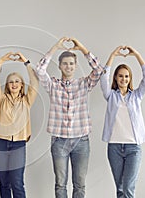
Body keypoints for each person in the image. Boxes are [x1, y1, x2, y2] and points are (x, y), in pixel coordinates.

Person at [35, 37, 103, 198]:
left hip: (81, 141)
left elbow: (99, 70)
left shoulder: (84, 84)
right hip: (59, 141)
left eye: (71, 63)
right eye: (65, 63)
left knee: (80, 184)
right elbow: (39, 70)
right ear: (59, 66)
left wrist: (82, 49)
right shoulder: (53, 84)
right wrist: (55, 47)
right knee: (60, 184)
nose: (68, 66)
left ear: (76, 65)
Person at [100, 46, 145, 198]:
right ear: (116, 78)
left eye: (127, 76)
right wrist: (113, 55)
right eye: (121, 76)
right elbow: (104, 77)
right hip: (114, 147)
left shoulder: (136, 96)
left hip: (133, 148)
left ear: (130, 79)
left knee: (128, 188)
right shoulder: (110, 96)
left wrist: (136, 54)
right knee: (120, 188)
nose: (124, 79)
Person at [0, 52, 39, 198]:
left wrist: (25, 61)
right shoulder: (1, 99)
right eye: (11, 82)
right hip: (0, 144)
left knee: (17, 182)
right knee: (4, 183)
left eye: (17, 81)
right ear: (7, 85)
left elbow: (35, 81)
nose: (14, 84)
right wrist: (2, 60)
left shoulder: (27, 100)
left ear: (22, 85)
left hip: (18, 144)